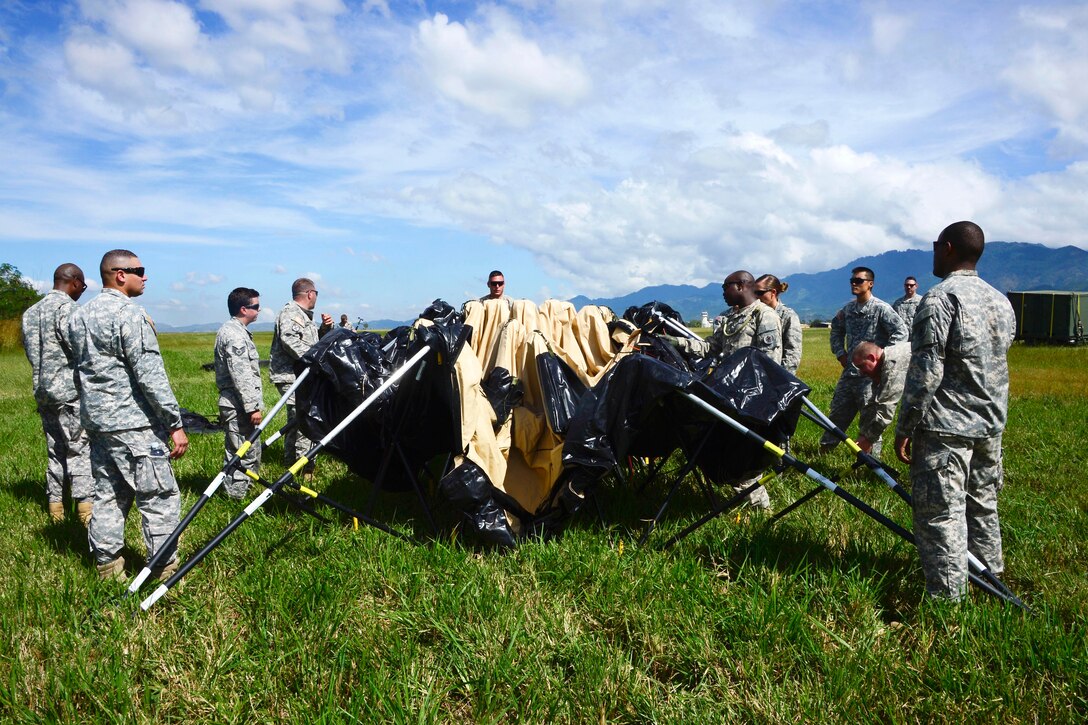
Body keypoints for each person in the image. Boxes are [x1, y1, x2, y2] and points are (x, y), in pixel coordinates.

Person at [894, 221, 1016, 601]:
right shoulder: (1000, 300)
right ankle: (989, 578)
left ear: (947, 248)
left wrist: (906, 424)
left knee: (941, 515)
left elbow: (927, 370)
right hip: (990, 424)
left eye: (934, 246)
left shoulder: (940, 299)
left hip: (947, 428)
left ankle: (948, 600)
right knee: (983, 504)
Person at [67, 250, 188, 581]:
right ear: (120, 275)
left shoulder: (79, 316)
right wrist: (174, 423)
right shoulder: (130, 315)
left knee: (107, 495)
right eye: (140, 270)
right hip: (134, 424)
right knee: (159, 496)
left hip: (97, 423)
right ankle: (164, 569)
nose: (145, 277)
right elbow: (149, 374)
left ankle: (108, 566)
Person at [674, 270, 782, 508]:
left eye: (726, 287)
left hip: (749, 399)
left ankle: (758, 504)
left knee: (742, 452)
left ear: (742, 286)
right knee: (724, 447)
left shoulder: (764, 316)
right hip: (725, 395)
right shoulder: (727, 317)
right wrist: (678, 342)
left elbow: (769, 364)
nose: (723, 292)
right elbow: (711, 348)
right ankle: (741, 497)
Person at [21, 263, 94, 524]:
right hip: (69, 393)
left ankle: (55, 507)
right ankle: (85, 511)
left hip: (43, 391)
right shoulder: (69, 310)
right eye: (82, 287)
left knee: (55, 451)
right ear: (73, 282)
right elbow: (83, 352)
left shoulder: (30, 313)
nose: (82, 292)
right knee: (80, 449)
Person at [819, 266, 908, 457]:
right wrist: (840, 353)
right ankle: (824, 452)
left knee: (870, 415)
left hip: (870, 375)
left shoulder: (881, 309)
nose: (854, 284)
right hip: (850, 372)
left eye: (859, 281)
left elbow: (901, 332)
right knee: (837, 413)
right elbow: (836, 329)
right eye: (852, 280)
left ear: (870, 284)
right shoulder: (848, 309)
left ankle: (871, 461)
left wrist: (883, 356)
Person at [270, 277, 332, 481]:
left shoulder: (304, 317)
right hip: (292, 375)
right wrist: (315, 360)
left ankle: (290, 465)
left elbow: (310, 342)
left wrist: (324, 329)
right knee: (306, 420)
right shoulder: (291, 313)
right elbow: (289, 341)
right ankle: (305, 468)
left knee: (296, 421)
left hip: (301, 375)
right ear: (310, 294)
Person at [215, 287, 263, 499]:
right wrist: (252, 407)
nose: (260, 310)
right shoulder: (234, 336)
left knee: (248, 449)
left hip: (239, 403)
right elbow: (241, 374)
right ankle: (236, 498)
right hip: (238, 405)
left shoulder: (236, 331)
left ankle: (245, 492)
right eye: (256, 307)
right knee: (242, 453)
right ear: (244, 309)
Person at [850, 341, 910, 454]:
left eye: (861, 366)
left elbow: (886, 409)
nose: (861, 373)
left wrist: (868, 440)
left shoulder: (892, 365)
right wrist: (863, 434)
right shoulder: (881, 365)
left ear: (872, 358)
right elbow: (874, 402)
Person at [754, 274, 802, 374]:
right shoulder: (755, 315)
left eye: (760, 293)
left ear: (773, 292)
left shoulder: (788, 315)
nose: (756, 297)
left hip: (776, 376)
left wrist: (780, 378)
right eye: (754, 293)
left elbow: (792, 352)